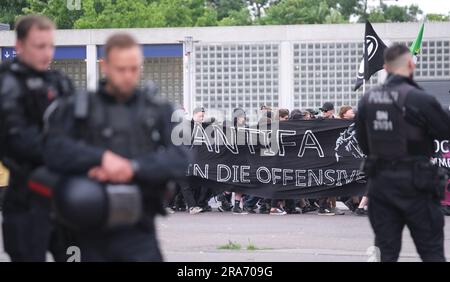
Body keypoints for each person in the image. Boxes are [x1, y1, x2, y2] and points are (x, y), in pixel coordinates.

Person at [43, 33, 189, 261]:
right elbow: (53, 150)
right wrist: (100, 158)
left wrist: (133, 167)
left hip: (139, 229)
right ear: (105, 67)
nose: (128, 76)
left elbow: (181, 158)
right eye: (121, 69)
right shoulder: (79, 109)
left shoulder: (157, 109)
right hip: (86, 232)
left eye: (134, 68)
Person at [355, 43, 450, 262]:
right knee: (431, 252)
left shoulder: (367, 100)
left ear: (386, 68)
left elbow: (363, 143)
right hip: (417, 185)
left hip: (380, 185)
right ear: (410, 64)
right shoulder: (421, 99)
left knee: (385, 253)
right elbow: (444, 131)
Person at [0, 15, 74, 262]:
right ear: (19, 46)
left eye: (51, 46)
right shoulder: (7, 83)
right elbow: (18, 140)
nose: (47, 53)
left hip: (64, 199)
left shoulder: (60, 82)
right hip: (26, 200)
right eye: (39, 46)